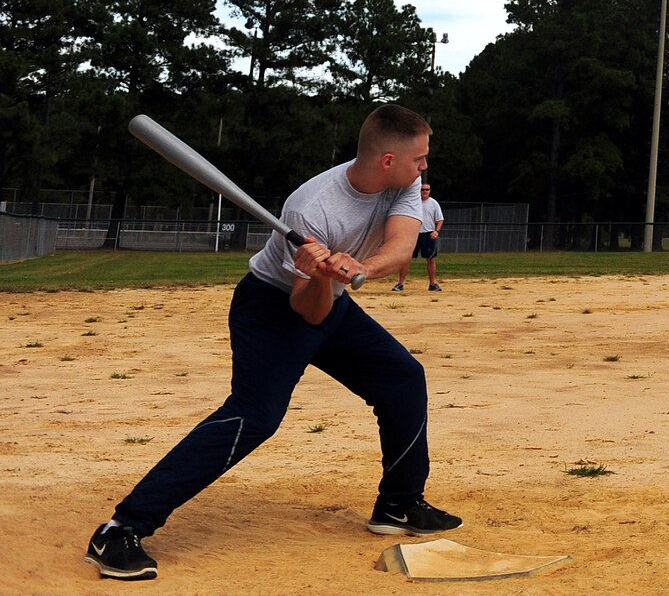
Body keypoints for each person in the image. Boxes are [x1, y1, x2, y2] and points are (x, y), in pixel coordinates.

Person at [86, 104, 459, 581]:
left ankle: (399, 505)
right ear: (388, 159)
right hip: (272, 307)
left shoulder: (402, 183)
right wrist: (320, 275)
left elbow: (402, 245)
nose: (424, 167)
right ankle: (120, 529)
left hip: (337, 302)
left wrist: (357, 268)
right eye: (419, 159)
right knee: (254, 417)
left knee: (403, 379)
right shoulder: (312, 207)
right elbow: (309, 312)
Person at [394, 182, 444, 291]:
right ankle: (400, 283)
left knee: (430, 259)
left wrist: (436, 231)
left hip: (428, 234)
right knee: (406, 259)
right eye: (422, 190)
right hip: (413, 234)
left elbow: (440, 219)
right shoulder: (412, 202)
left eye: (427, 189)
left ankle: (432, 284)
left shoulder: (433, 203)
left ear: (430, 191)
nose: (424, 191)